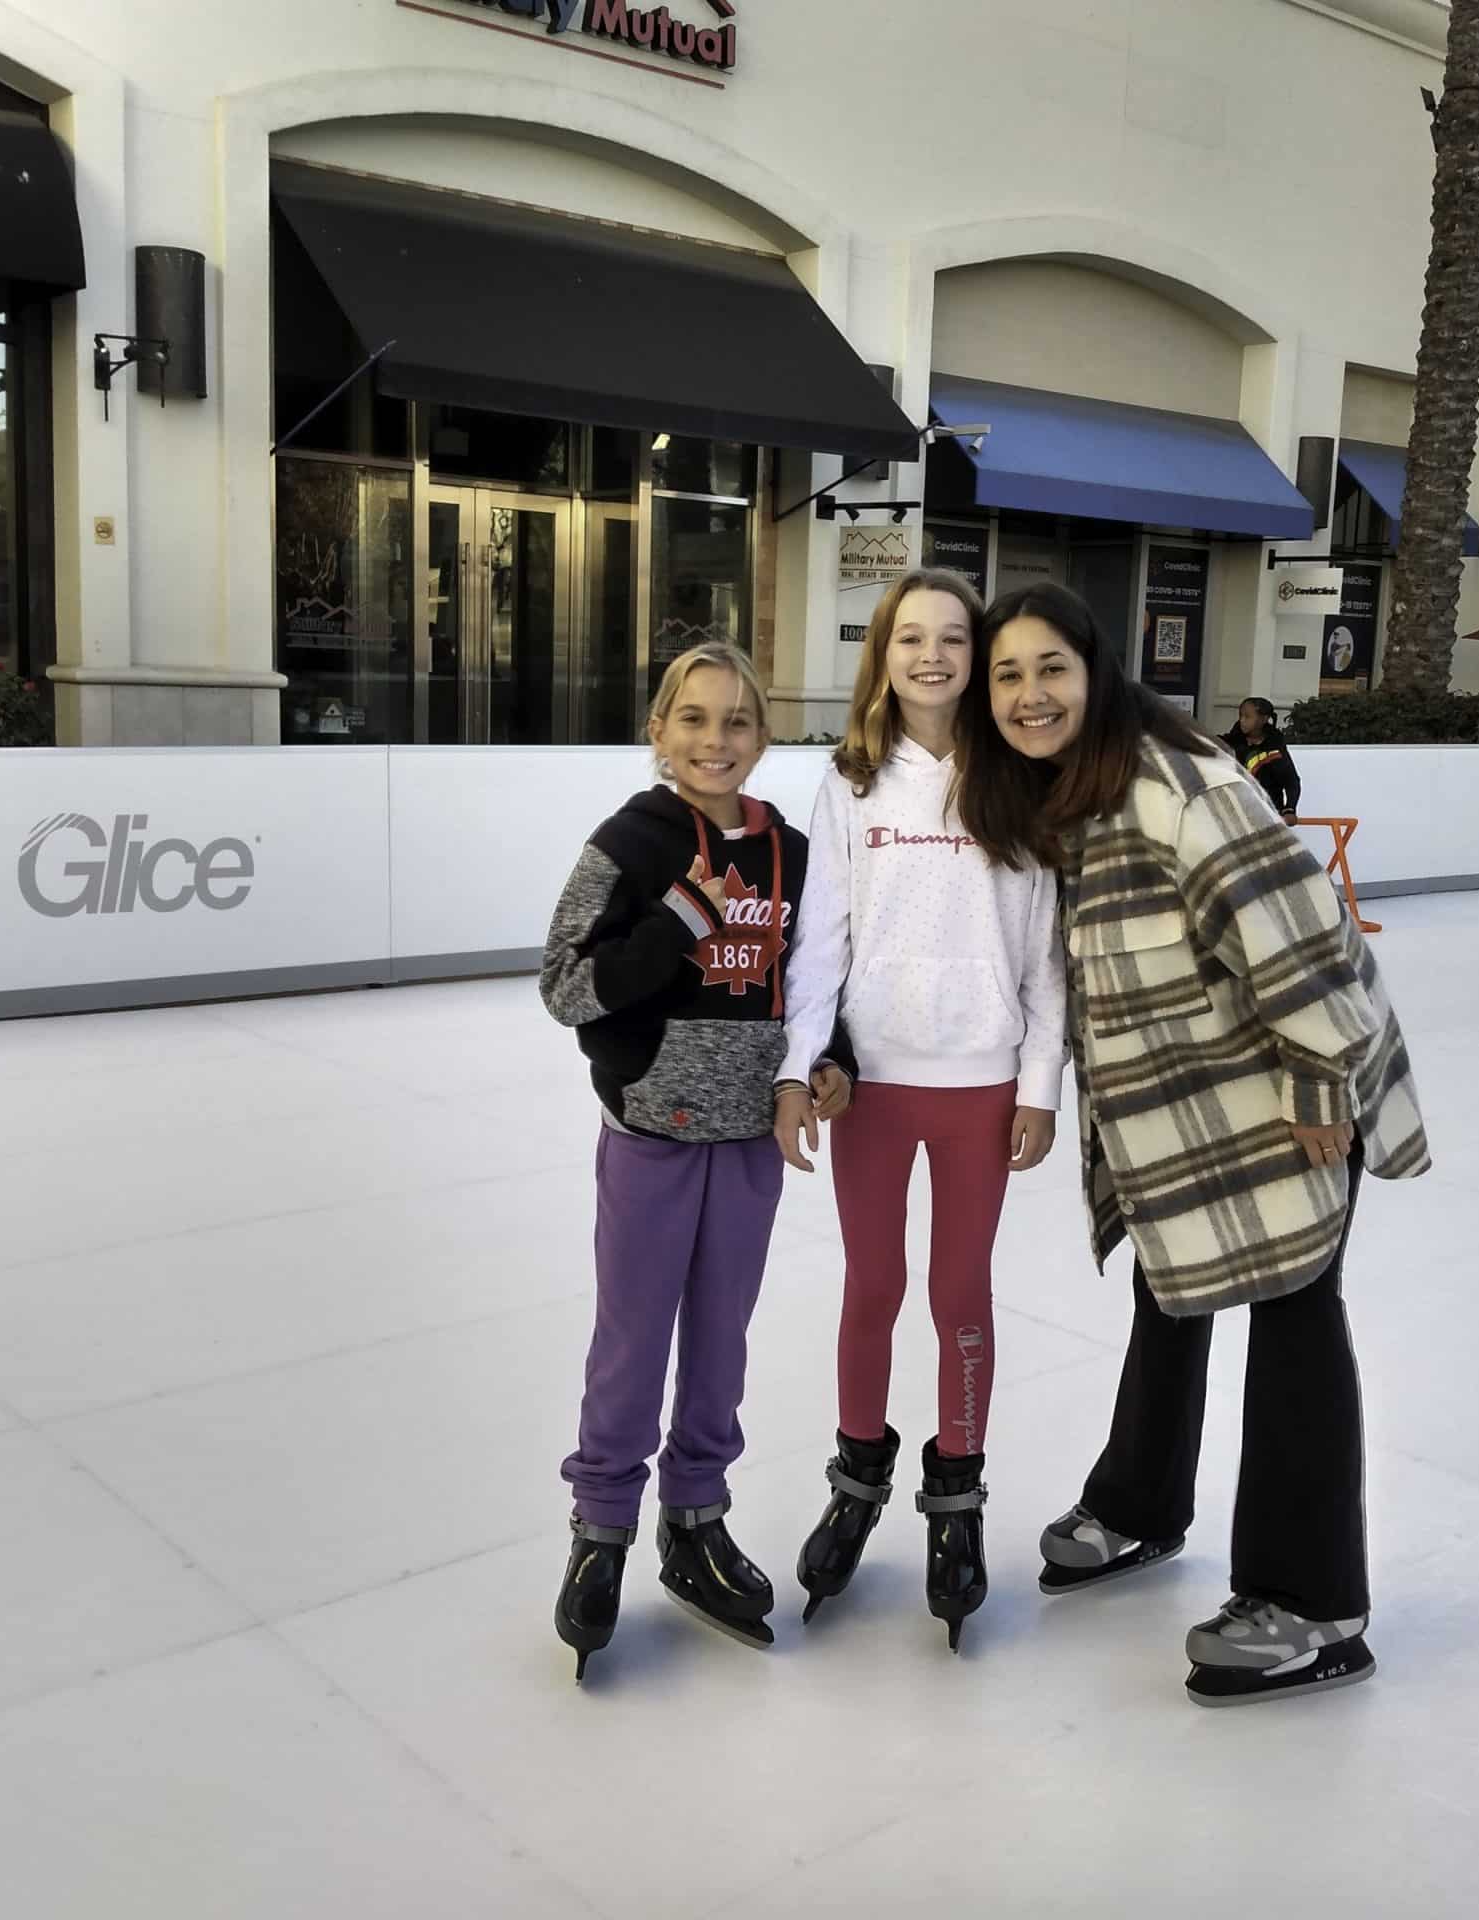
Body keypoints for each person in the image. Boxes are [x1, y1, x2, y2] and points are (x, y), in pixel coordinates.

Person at [956, 583, 1431, 1707]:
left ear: (1098, 671)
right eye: (1007, 675)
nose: (1029, 694)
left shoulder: (1182, 784)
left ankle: (1315, 1606)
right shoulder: (1069, 794)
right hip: (1187, 1112)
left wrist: (1322, 1077)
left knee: (1297, 1316)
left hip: (1282, 1093)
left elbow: (1301, 927)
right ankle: (1138, 1509)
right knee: (1170, 1297)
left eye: (1050, 669)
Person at [539, 641, 850, 1679]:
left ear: (763, 737)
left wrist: (831, 1062)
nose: (715, 740)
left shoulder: (795, 855)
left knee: (721, 1342)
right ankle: (600, 1531)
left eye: (737, 722)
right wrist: (677, 921)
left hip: (751, 1140)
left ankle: (695, 1521)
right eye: (694, 719)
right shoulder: (627, 842)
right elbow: (565, 988)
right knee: (633, 1340)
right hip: (652, 1132)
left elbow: (816, 989)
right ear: (657, 730)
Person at [773, 569, 1066, 1652]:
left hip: (982, 1085)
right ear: (882, 655)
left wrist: (1038, 1085)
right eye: (911, 638)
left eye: (953, 637)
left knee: (959, 1292)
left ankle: (956, 1507)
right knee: (874, 1286)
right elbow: (819, 945)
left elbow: (1046, 958)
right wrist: (801, 1066)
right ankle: (855, 1484)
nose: (932, 655)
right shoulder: (850, 784)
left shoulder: (1017, 783)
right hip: (880, 1088)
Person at [1221, 696, 1302, 816]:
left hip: (1269, 813)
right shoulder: (1231, 742)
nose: (1242, 720)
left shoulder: (1275, 747)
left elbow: (1291, 782)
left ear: (1264, 719)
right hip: (1237, 813)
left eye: (1247, 717)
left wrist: (1289, 809)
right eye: (1240, 716)